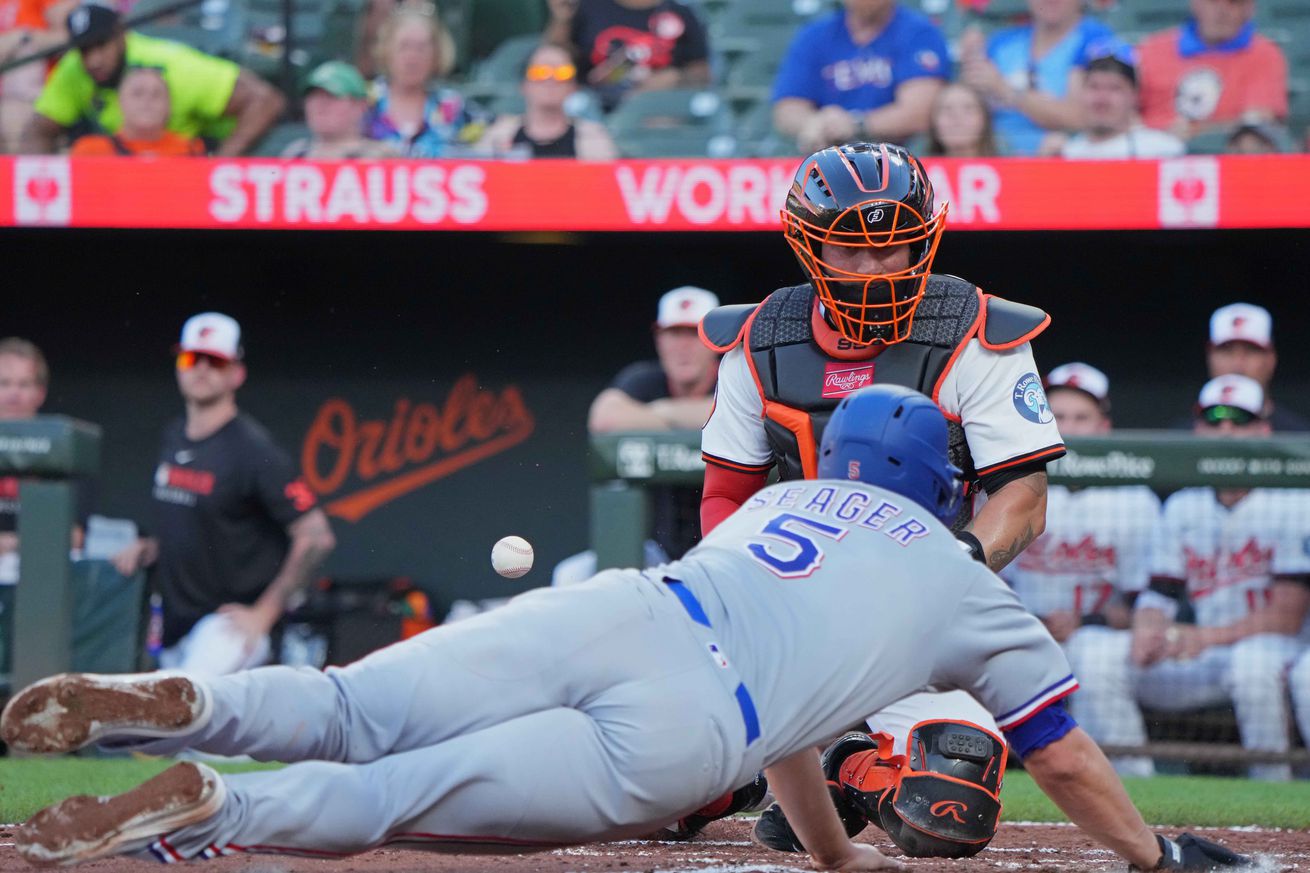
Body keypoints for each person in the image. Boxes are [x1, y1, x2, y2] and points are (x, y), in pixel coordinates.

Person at [0, 386, 1251, 873]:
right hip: (693, 728)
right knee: (388, 797)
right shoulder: (962, 574)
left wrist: (827, 854)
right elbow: (1066, 755)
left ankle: (197, 703)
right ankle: (216, 808)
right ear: (940, 484)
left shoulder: (776, 502)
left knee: (344, 706)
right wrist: (1153, 861)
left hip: (622, 611)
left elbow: (803, 749)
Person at [696, 141, 1064, 857]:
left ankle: (845, 767)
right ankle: (742, 777)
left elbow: (1024, 497)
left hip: (919, 622)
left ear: (923, 240)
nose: (873, 268)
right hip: (790, 610)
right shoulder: (760, 337)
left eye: (892, 247)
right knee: (658, 776)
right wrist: (739, 609)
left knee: (948, 804)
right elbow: (723, 496)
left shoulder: (977, 330)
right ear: (811, 245)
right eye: (851, 249)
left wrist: (939, 568)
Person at [1069, 374, 1310, 781]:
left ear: (1263, 430)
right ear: (1198, 429)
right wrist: (1148, 625)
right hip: (1207, 654)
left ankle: (1273, 788)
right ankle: (1134, 790)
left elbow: (1286, 617)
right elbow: (1160, 593)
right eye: (1214, 421)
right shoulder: (1184, 505)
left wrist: (1200, 637)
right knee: (1096, 652)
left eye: (1240, 421)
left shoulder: (1292, 498)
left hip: (1275, 651)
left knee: (1252, 665)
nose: (1225, 432)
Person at [110, 313, 336, 676]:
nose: (201, 369)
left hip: (226, 625)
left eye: (215, 361)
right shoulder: (173, 436)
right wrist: (152, 547)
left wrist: (264, 613)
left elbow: (316, 536)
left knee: (179, 714)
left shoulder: (254, 449)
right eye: (190, 358)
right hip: (173, 624)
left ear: (236, 374)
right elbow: (198, 521)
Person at [1004, 363, 1159, 694]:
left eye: (1080, 418)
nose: (1067, 428)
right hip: (1018, 633)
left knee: (1094, 656)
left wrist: (1086, 621)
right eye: (1057, 416)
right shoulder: (1008, 487)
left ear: (1103, 426)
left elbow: (1142, 607)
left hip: (1098, 639)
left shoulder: (1135, 499)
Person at [552, 286, 719, 586]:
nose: (683, 346)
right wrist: (688, 418)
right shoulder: (645, 380)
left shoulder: (736, 376)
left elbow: (742, 413)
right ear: (659, 339)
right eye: (673, 334)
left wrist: (662, 412)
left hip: (725, 549)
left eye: (694, 334)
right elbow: (604, 418)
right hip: (659, 551)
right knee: (572, 576)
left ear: (716, 340)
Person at [21, 3, 284, 156]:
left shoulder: (174, 65)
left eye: (101, 45)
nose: (94, 60)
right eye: (85, 49)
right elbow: (38, 130)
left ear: (120, 35)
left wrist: (219, 168)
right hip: (120, 166)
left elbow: (266, 100)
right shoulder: (74, 69)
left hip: (187, 159)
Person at [771, 0, 949, 154]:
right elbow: (787, 108)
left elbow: (919, 113)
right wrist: (812, 123)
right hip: (829, 160)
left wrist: (856, 124)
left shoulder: (919, 32)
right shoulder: (815, 35)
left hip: (900, 161)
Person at [957, 0, 1113, 157]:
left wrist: (1007, 91)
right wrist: (969, 64)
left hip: (1059, 158)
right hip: (992, 155)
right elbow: (967, 102)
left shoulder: (1095, 39)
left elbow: (1082, 116)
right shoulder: (1002, 42)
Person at [1137, 0, 1287, 141]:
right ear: (1195, 3)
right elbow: (1126, 117)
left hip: (1230, 158)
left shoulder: (1264, 54)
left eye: (1234, 2)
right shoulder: (1151, 49)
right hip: (1152, 156)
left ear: (1250, 8)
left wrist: (1195, 132)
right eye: (1213, 1)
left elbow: (1258, 123)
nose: (1222, 10)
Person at [363, 1, 488, 158]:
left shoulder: (451, 105)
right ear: (386, 50)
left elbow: (495, 128)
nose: (413, 57)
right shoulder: (363, 102)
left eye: (421, 48)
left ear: (437, 54)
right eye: (404, 46)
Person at [544, 0, 710, 112]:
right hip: (596, 110)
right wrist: (562, 20)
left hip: (659, 112)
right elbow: (552, 57)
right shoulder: (589, 7)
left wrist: (676, 78)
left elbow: (703, 74)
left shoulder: (680, 13)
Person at [1174, 303, 1310, 431]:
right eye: (1227, 351)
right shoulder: (1176, 440)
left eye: (1251, 351)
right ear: (1209, 357)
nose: (1237, 365)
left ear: (1271, 359)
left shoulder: (1300, 439)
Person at [474, 42, 617, 159]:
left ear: (573, 86)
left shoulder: (594, 138)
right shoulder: (498, 135)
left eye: (562, 73)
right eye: (539, 72)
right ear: (524, 85)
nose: (550, 80)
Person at [1056, 46, 1185, 159]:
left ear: (1134, 96)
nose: (1102, 98)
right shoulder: (1066, 153)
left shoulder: (1162, 150)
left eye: (1114, 88)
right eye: (1094, 87)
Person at [69, 66, 206, 156]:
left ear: (169, 106)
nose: (147, 100)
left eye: (157, 94)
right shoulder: (90, 152)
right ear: (119, 102)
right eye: (137, 93)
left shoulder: (191, 151)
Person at [0, 338, 49, 577]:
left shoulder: (62, 447)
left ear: (40, 393)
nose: (13, 394)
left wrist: (10, 544)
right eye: (4, 383)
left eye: (23, 384)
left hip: (39, 575)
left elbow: (74, 535)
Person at [282, 61, 395, 159]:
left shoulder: (380, 156)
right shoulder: (295, 154)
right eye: (313, 97)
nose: (320, 104)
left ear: (360, 106)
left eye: (331, 97)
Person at [0, 0, 72, 152]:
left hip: (38, 96)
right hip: (9, 97)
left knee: (14, 116)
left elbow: (71, 37)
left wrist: (23, 37)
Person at [919, 81, 999, 158]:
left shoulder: (1009, 165)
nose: (957, 117)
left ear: (984, 119)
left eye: (968, 109)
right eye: (947, 109)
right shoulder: (915, 169)